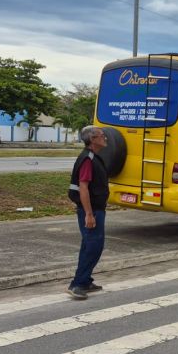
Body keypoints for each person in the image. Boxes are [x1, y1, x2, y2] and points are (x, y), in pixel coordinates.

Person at [66, 126, 110, 300]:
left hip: (96, 209)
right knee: (93, 246)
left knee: (91, 246)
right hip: (91, 211)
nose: (105, 138)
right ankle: (77, 284)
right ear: (92, 139)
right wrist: (89, 214)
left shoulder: (94, 157)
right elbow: (83, 187)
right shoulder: (88, 159)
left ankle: (85, 280)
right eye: (101, 135)